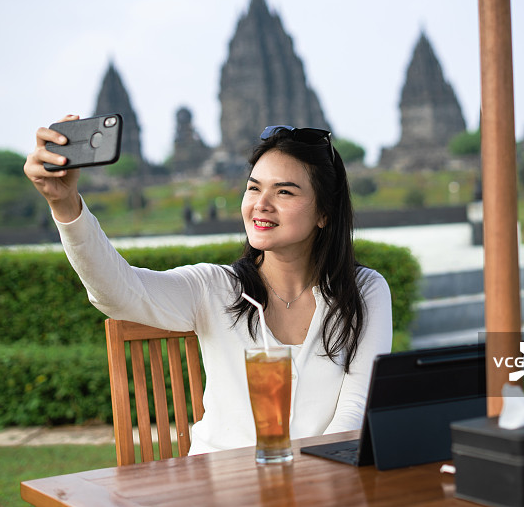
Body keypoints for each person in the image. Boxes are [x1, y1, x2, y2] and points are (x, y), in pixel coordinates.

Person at [24, 116, 393, 454]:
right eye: (253, 188)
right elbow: (118, 292)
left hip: (318, 484)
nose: (260, 204)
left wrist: (313, 480)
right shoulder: (214, 287)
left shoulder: (363, 292)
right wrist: (66, 204)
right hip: (217, 486)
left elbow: (356, 408)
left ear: (324, 213)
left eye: (284, 192)